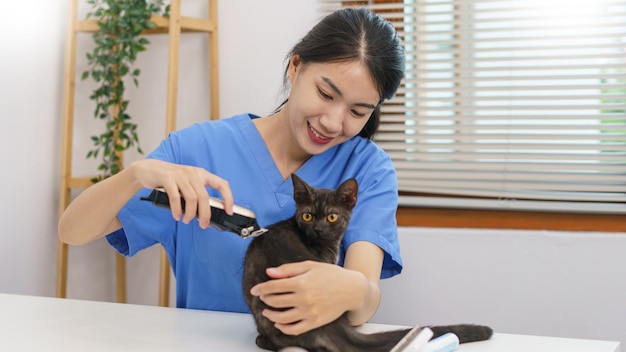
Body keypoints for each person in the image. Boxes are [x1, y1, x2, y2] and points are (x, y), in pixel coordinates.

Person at [58, 7, 405, 336]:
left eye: (358, 112)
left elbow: (364, 301)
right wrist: (137, 174)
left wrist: (357, 291)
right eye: (325, 93)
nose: (332, 122)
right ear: (296, 67)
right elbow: (72, 230)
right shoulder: (196, 150)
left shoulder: (367, 168)